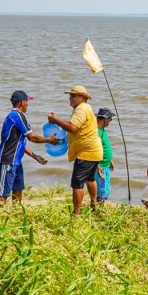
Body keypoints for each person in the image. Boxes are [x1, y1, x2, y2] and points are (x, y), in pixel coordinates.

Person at [48, 85, 103, 216]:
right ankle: (93, 204)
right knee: (90, 179)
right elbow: (76, 126)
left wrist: (55, 120)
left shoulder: (81, 109)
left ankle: (76, 213)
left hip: (86, 153)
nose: (70, 98)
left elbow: (73, 128)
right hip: (94, 151)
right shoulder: (86, 108)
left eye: (73, 95)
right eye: (70, 95)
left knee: (77, 184)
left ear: (83, 97)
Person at [0, 91, 57, 205]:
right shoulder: (17, 116)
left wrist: (35, 156)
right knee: (3, 194)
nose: (28, 104)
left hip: (16, 161)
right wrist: (49, 140)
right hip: (7, 160)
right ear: (21, 102)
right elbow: (32, 137)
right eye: (26, 101)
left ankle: (16, 212)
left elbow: (19, 142)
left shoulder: (16, 116)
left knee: (18, 188)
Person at [94, 107, 116, 205]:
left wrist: (110, 159)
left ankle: (102, 202)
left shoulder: (103, 130)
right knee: (102, 187)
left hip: (106, 164)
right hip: (100, 165)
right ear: (104, 119)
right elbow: (93, 149)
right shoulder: (96, 131)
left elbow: (104, 146)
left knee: (107, 186)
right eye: (110, 119)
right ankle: (100, 205)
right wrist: (97, 165)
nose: (110, 121)